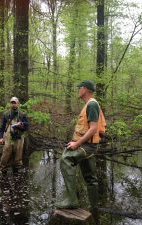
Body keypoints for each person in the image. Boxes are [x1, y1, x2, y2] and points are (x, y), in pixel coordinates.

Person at [55, 80, 104, 210]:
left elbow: (93, 129)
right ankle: (95, 208)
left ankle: (72, 200)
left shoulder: (92, 104)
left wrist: (76, 144)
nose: (78, 90)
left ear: (86, 89)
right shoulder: (89, 104)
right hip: (87, 145)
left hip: (87, 146)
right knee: (90, 177)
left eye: (80, 87)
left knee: (66, 160)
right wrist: (75, 142)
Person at [0, 97, 29, 173]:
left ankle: (17, 168)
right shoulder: (6, 114)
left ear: (18, 104)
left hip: (19, 136)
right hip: (8, 135)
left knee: (18, 153)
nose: (13, 104)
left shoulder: (22, 114)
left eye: (15, 103)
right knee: (6, 152)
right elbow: (2, 127)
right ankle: (3, 169)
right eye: (12, 103)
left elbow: (27, 126)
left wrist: (21, 124)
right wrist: (0, 138)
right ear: (10, 104)